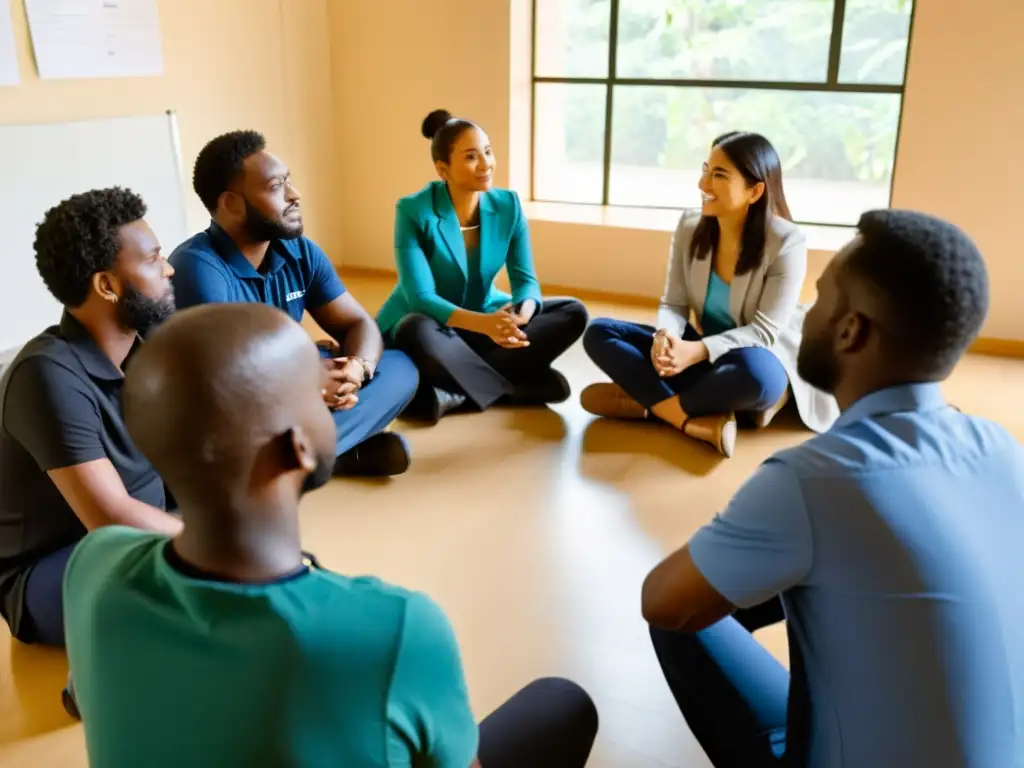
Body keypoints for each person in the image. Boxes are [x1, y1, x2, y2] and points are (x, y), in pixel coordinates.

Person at [64, 302, 599, 767]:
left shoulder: (94, 563)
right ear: (298, 446)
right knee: (562, 703)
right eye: (315, 390)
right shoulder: (392, 626)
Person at [641, 210, 1023, 766]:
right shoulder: (1003, 448)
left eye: (817, 301)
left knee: (687, 617)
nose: (805, 315)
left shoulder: (815, 479)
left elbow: (662, 600)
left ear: (851, 330)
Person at [170, 130, 418, 476]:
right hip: (233, 406)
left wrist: (356, 371)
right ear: (231, 204)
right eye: (276, 187)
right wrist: (309, 382)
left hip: (289, 385)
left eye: (289, 181)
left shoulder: (299, 250)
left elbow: (358, 324)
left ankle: (302, 459)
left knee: (399, 367)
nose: (295, 195)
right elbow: (229, 380)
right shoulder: (198, 269)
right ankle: (328, 452)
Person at [580, 132, 837, 457]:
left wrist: (696, 351)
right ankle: (697, 417)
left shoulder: (787, 241)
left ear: (755, 190)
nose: (703, 184)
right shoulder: (690, 225)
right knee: (600, 333)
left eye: (718, 175)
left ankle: (648, 402)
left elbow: (763, 332)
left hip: (755, 351)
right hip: (702, 351)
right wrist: (666, 337)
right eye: (705, 169)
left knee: (758, 379)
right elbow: (674, 303)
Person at [0, 188, 181, 647]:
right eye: (154, 260)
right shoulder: (46, 374)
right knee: (207, 576)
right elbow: (111, 516)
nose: (169, 270)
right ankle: (101, 676)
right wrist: (218, 544)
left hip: (142, 535)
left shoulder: (147, 347)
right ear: (107, 285)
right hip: (54, 571)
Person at [377, 109, 588, 424]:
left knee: (572, 311)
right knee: (414, 328)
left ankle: (453, 394)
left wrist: (520, 316)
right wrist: (486, 325)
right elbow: (421, 297)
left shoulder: (508, 206)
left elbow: (526, 282)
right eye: (471, 157)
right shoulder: (413, 210)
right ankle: (512, 390)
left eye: (488, 152)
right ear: (443, 169)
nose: (486, 163)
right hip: (431, 325)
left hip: (483, 321)